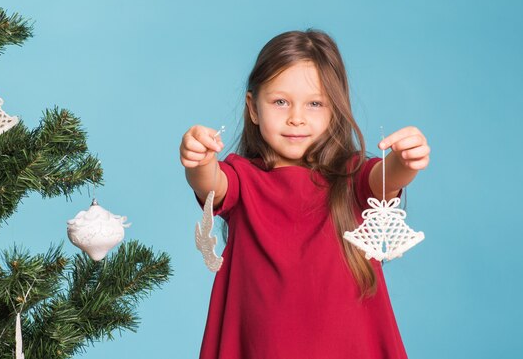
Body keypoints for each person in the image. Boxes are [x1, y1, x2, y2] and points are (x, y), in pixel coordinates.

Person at [179, 29, 430, 359]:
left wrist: (405, 160)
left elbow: (387, 179)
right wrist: (198, 158)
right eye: (280, 102)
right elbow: (210, 183)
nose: (296, 118)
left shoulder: (353, 176)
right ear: (253, 108)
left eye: (314, 104)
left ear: (333, 110)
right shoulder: (242, 177)